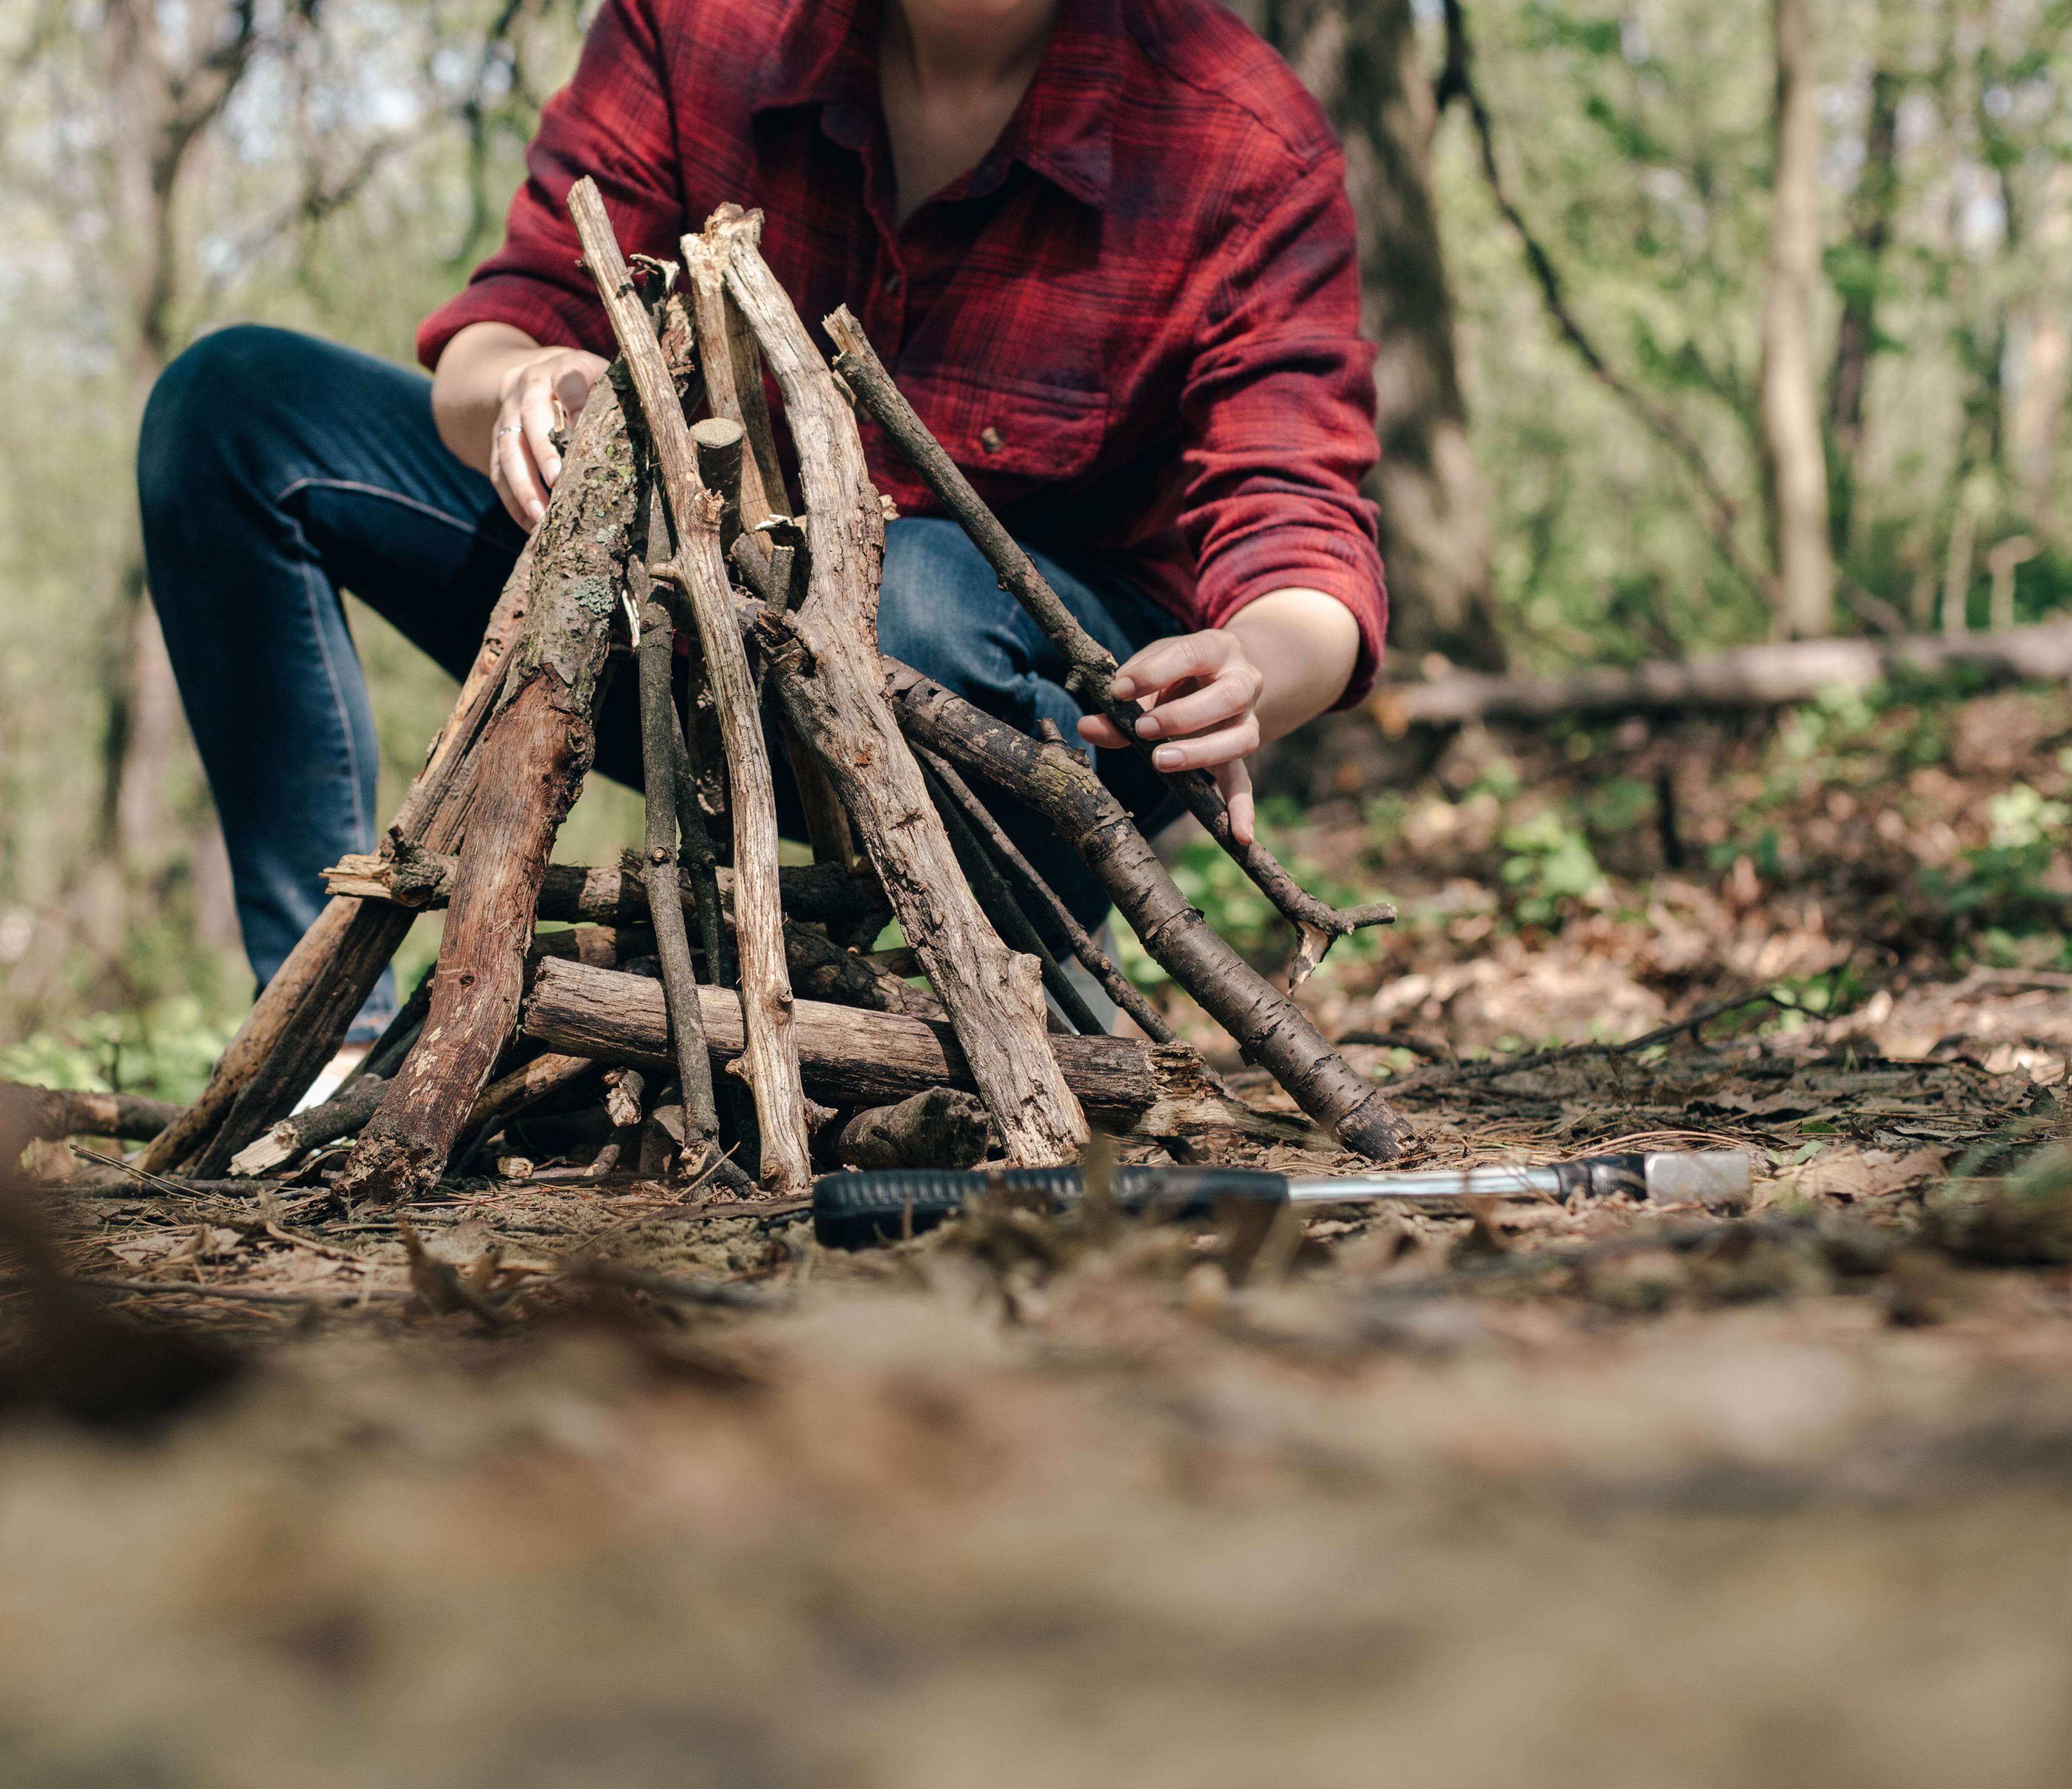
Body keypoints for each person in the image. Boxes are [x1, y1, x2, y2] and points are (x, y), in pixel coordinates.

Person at [139, 0, 1386, 1038]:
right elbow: (513, 315)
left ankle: (1022, 968)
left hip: (1024, 731)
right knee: (238, 410)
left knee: (916, 595)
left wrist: (1257, 670)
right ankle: (316, 1045)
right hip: (682, 637)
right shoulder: (698, 24)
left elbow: (1299, 524)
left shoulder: (1237, 135)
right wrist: (527, 387)